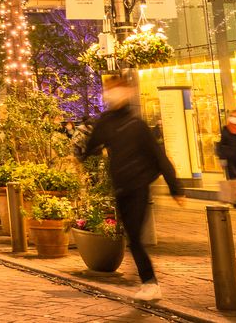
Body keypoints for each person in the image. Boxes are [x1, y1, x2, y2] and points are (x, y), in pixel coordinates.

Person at [79, 75, 185, 302]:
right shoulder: (106, 122)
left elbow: (159, 157)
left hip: (138, 187)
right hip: (120, 187)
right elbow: (91, 146)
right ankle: (148, 282)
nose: (112, 94)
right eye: (109, 90)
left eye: (116, 89)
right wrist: (84, 158)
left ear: (127, 93)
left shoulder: (137, 125)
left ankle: (150, 283)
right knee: (132, 238)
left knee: (135, 238)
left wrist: (176, 188)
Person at [216, 110, 236, 209]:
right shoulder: (226, 129)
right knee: (233, 178)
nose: (234, 118)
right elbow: (221, 144)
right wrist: (222, 157)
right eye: (232, 116)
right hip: (229, 158)